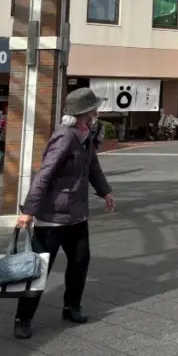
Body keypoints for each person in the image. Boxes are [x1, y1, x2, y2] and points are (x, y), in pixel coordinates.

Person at [13, 88, 115, 340]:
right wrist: (29, 210)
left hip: (77, 215)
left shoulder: (86, 135)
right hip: (52, 218)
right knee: (39, 269)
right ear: (83, 112)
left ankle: (72, 307)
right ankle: (23, 318)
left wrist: (105, 192)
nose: (96, 111)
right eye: (93, 108)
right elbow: (45, 173)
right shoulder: (64, 137)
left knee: (80, 264)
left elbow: (93, 167)